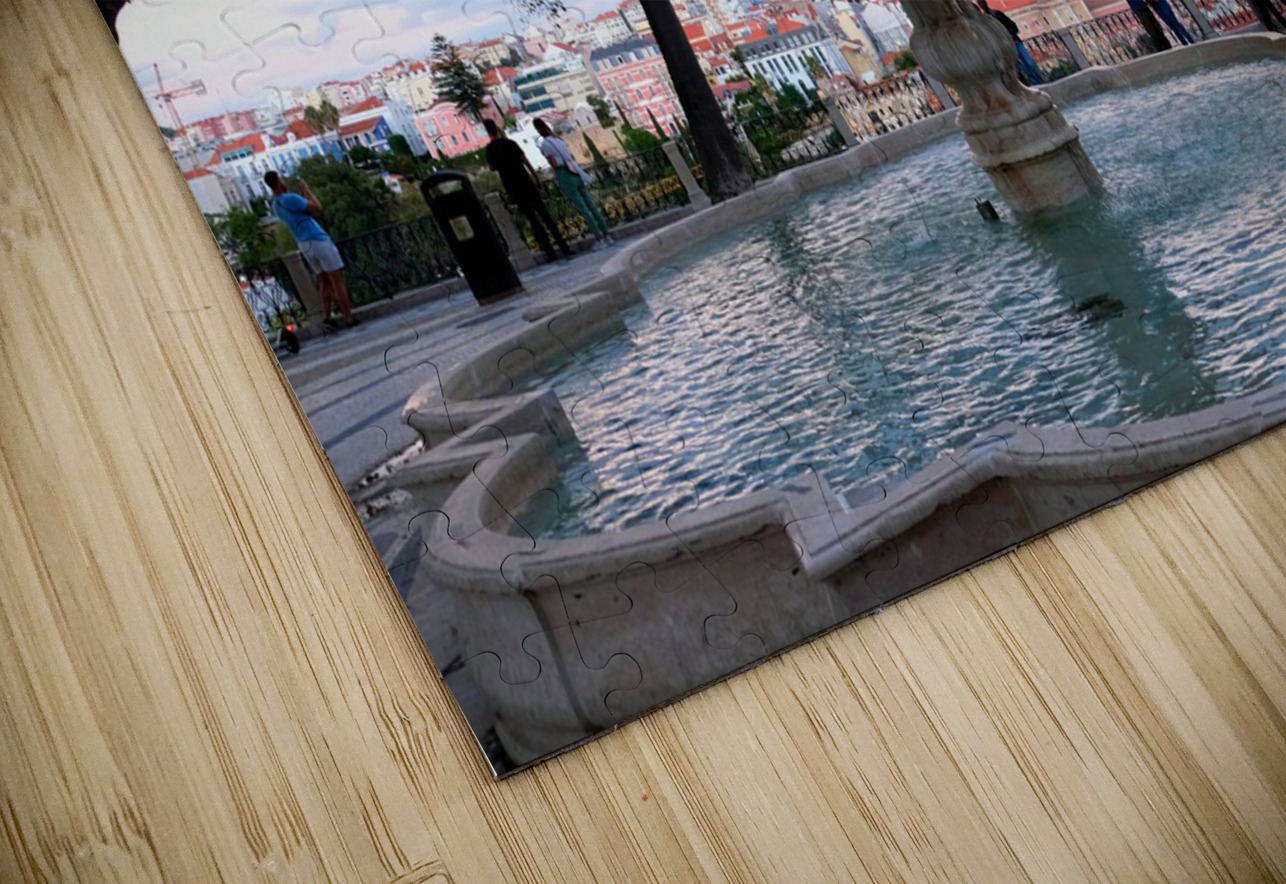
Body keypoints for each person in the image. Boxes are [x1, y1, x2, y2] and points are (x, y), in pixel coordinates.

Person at [263, 170, 356, 329]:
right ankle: (348, 317)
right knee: (337, 281)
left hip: (303, 244)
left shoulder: (276, 205)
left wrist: (303, 196)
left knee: (323, 281)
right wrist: (307, 190)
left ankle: (327, 316)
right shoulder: (290, 198)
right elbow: (317, 207)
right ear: (277, 181)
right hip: (318, 239)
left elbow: (301, 211)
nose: (284, 181)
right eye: (281, 179)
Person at [483, 119, 573, 264]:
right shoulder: (510, 143)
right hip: (526, 182)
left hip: (513, 188)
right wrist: (535, 178)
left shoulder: (490, 149)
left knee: (533, 220)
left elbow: (492, 167)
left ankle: (550, 252)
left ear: (487, 132)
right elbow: (525, 160)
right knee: (545, 215)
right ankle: (564, 247)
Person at [533, 117, 615, 249]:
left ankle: (599, 238)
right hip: (575, 172)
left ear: (538, 129)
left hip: (564, 174)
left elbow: (554, 164)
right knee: (591, 205)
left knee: (583, 209)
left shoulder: (545, 144)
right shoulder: (558, 140)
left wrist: (544, 154)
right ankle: (607, 235)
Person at [977, 0, 1044, 86]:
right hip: (1004, 46)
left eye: (982, 3)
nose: (982, 5)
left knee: (1028, 62)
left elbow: (1011, 24)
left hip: (1012, 41)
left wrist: (1011, 33)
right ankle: (1036, 83)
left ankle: (1039, 81)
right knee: (1022, 66)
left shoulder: (995, 14)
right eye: (980, 3)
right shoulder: (984, 20)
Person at [1129, 0, 1197, 45]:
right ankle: (1183, 41)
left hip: (1161, 3)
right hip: (1155, 5)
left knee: (1175, 23)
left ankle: (1190, 39)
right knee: (1170, 25)